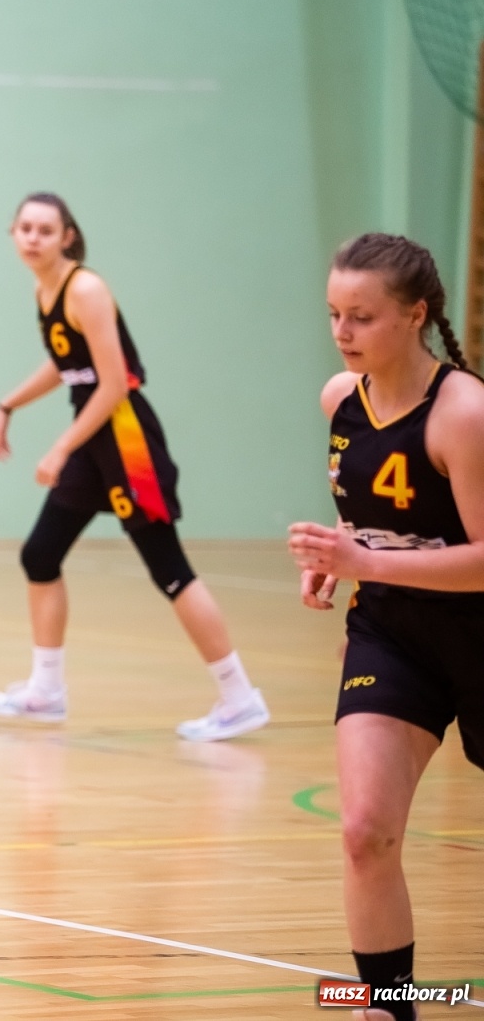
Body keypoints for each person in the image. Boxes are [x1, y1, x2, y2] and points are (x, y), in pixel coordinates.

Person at [0, 193, 268, 741]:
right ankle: (45, 691)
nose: (33, 237)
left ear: (68, 236)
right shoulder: (47, 290)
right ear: (13, 234)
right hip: (95, 439)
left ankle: (239, 696)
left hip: (127, 438)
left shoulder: (85, 288)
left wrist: (61, 446)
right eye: (25, 228)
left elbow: (114, 383)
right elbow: (68, 365)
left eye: (46, 229)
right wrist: (9, 402)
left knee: (169, 568)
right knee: (40, 555)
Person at [288, 233, 484, 1021]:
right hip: (394, 635)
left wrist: (367, 562)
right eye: (335, 313)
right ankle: (387, 1007)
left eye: (361, 317)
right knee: (366, 831)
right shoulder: (342, 398)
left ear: (416, 315)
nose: (343, 331)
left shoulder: (463, 413)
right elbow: (374, 521)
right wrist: (338, 558)